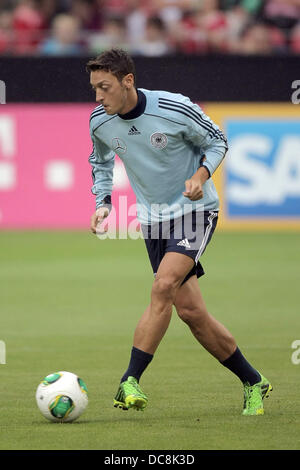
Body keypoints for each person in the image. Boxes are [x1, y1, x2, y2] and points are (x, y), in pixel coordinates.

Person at [87, 48, 272, 416]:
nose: (98, 96)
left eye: (105, 87)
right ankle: (254, 381)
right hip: (153, 220)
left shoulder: (174, 108)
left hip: (194, 211)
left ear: (128, 82)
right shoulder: (99, 122)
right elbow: (101, 163)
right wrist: (103, 202)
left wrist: (201, 176)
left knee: (163, 286)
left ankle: (130, 380)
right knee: (191, 313)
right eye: (93, 88)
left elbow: (217, 140)